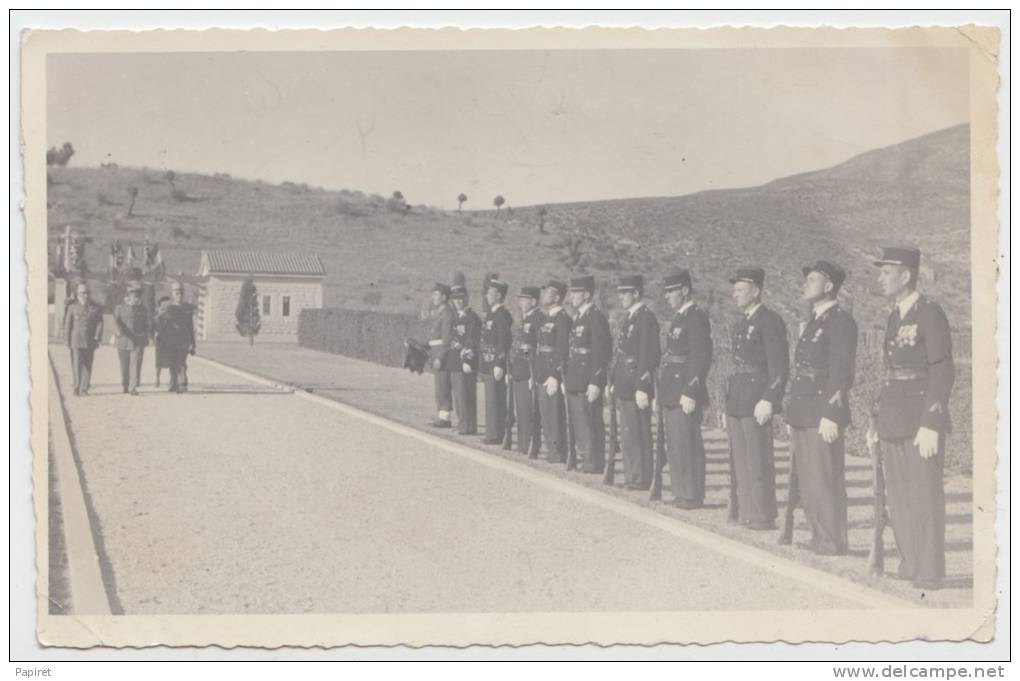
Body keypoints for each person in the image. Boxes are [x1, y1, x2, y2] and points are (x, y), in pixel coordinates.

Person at [869, 247, 954, 590]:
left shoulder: (930, 314)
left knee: (924, 494)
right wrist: (877, 423)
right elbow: (892, 373)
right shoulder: (895, 317)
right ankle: (911, 563)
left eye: (887, 271)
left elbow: (942, 368)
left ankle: (930, 570)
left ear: (906, 276)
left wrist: (932, 421)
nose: (881, 277)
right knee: (900, 495)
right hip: (893, 416)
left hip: (920, 418)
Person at [787, 261, 857, 554]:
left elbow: (841, 372)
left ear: (829, 286)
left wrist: (831, 412)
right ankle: (818, 536)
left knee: (824, 477)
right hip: (804, 407)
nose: (806, 284)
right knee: (809, 477)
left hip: (822, 409)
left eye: (813, 279)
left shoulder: (840, 321)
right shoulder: (815, 319)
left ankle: (830, 541)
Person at [725, 267, 789, 530]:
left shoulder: (769, 320)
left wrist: (769, 398)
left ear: (756, 291)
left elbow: (779, 366)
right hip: (739, 397)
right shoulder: (742, 323)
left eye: (740, 290)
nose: (735, 295)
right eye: (735, 289)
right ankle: (748, 512)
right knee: (741, 459)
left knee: (758, 459)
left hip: (756, 397)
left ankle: (762, 515)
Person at [658, 268, 713, 509]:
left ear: (684, 290)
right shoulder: (680, 318)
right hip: (672, 389)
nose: (666, 296)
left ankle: (691, 495)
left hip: (684, 390)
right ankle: (681, 492)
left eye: (671, 291)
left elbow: (701, 356)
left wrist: (692, 390)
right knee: (676, 444)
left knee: (687, 443)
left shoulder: (695, 317)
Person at [611, 275, 661, 490]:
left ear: (637, 294)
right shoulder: (630, 317)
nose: (621, 296)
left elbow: (648, 355)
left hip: (636, 382)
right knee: (628, 432)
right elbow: (622, 353)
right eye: (620, 292)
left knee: (638, 431)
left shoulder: (645, 318)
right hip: (624, 380)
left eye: (625, 292)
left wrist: (643, 386)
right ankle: (632, 476)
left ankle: (640, 477)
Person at [564, 275, 613, 473]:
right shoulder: (579, 317)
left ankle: (593, 463)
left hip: (587, 379)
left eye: (575, 293)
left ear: (586, 294)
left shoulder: (595, 317)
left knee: (590, 422)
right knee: (579, 421)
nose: (571, 297)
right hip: (576, 376)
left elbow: (602, 352)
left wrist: (596, 381)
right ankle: (585, 459)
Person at [535, 280, 572, 464]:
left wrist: (555, 375)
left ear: (557, 297)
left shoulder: (562, 319)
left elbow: (562, 350)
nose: (543, 295)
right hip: (542, 372)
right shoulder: (547, 318)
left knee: (554, 414)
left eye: (547, 292)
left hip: (552, 374)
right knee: (546, 414)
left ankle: (557, 453)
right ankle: (551, 449)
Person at [479, 278, 513, 444]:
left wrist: (500, 363)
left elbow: (503, 340)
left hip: (495, 363)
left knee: (495, 400)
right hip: (488, 362)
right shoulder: (492, 313)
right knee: (490, 400)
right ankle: (492, 432)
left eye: (490, 292)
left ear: (499, 295)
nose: (487, 295)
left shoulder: (501, 314)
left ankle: (495, 435)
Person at [509, 286, 542, 454]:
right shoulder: (523, 318)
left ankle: (529, 444)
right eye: (520, 299)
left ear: (534, 301)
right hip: (519, 368)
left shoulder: (538, 318)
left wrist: (533, 372)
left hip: (529, 370)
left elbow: (535, 347)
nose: (520, 303)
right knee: (520, 409)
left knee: (528, 411)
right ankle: (523, 444)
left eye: (524, 299)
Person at [450, 284, 482, 435]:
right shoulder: (456, 316)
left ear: (466, 298)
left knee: (466, 394)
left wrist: (467, 360)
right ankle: (462, 423)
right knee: (459, 394)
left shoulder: (472, 317)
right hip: (456, 359)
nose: (458, 302)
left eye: (460, 298)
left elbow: (472, 340)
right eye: (455, 299)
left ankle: (468, 426)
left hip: (467, 359)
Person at [63, 282, 104, 396]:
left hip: (90, 339)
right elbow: (68, 324)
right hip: (76, 340)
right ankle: (76, 386)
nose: (86, 295)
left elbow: (100, 322)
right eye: (83, 292)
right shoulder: (72, 307)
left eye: (87, 292)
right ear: (78, 294)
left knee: (88, 364)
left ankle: (84, 388)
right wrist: (66, 339)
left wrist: (97, 336)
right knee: (76, 364)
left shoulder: (95, 307)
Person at [113, 284, 150, 395]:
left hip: (137, 341)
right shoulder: (120, 308)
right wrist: (118, 330)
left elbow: (146, 325)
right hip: (123, 340)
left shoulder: (142, 309)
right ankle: (125, 384)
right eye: (134, 296)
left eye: (138, 296)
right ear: (128, 297)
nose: (136, 299)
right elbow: (115, 321)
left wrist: (145, 337)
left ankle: (132, 387)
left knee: (135, 364)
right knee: (124, 366)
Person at [427, 283, 455, 427]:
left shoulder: (447, 314)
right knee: (439, 386)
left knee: (443, 385)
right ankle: (441, 415)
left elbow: (447, 338)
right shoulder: (440, 313)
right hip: (436, 352)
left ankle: (445, 417)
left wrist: (440, 356)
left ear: (444, 297)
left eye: (436, 294)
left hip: (441, 354)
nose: (434, 297)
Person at [166, 281, 197, 392]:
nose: (178, 295)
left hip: (183, 341)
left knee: (181, 362)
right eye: (176, 292)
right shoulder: (168, 308)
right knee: (172, 363)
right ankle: (173, 383)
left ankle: (182, 384)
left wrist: (193, 344)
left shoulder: (188, 309)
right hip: (171, 341)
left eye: (180, 292)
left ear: (183, 293)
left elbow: (190, 327)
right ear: (172, 293)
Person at [153, 296, 172, 388]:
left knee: (171, 360)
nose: (166, 304)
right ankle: (157, 379)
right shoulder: (157, 315)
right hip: (160, 340)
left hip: (170, 339)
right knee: (159, 361)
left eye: (167, 302)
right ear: (160, 304)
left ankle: (171, 380)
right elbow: (153, 325)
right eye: (164, 303)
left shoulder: (171, 313)